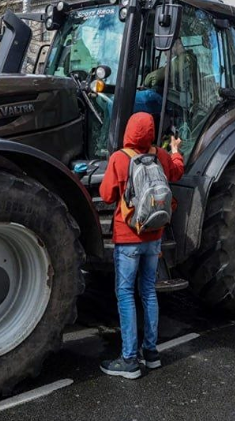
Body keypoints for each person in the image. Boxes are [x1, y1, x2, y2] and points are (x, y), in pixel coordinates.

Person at [99, 112, 184, 379]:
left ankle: (129, 360)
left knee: (125, 294)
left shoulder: (120, 158)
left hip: (128, 237)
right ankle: (151, 353)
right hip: (154, 235)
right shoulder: (159, 154)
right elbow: (177, 171)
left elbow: (105, 194)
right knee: (148, 291)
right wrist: (176, 151)